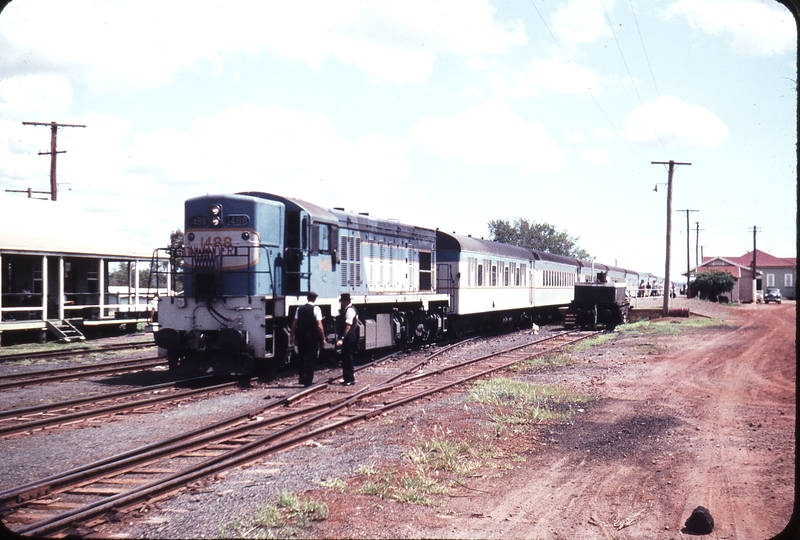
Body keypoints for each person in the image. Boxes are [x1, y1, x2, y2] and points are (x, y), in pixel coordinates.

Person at [290, 292, 325, 387]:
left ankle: (302, 378)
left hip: (301, 335)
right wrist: (323, 338)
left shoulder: (299, 308)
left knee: (301, 356)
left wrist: (291, 335)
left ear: (307, 298)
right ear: (314, 299)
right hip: (312, 336)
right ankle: (308, 381)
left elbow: (294, 323)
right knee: (311, 358)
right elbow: (319, 325)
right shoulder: (316, 308)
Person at [335, 293, 358, 386]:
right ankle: (347, 378)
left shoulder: (349, 310)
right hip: (350, 335)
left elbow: (348, 326)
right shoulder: (351, 309)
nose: (341, 303)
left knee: (348, 357)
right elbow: (356, 322)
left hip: (348, 336)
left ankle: (350, 379)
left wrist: (343, 338)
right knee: (346, 357)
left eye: (342, 301)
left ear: (345, 301)